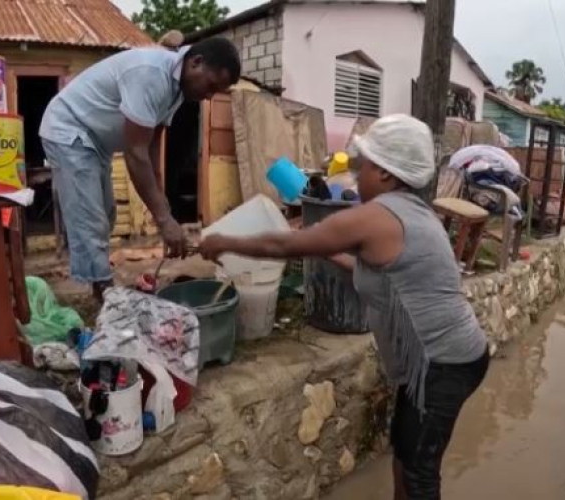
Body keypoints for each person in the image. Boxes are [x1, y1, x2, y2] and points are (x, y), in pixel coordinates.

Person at [199, 114, 490, 500]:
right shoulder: (412, 212)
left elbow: (284, 247)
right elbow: (385, 276)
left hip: (441, 365)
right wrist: (330, 251)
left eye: (363, 166)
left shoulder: (378, 215)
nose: (355, 175)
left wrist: (223, 241)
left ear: (386, 174)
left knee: (420, 474)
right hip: (436, 361)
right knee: (404, 455)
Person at [39, 37, 240, 300]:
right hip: (68, 130)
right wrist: (165, 220)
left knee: (107, 215)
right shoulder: (151, 74)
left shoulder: (177, 90)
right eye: (211, 86)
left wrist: (164, 211)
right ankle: (105, 296)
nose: (209, 96)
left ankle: (100, 284)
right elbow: (135, 154)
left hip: (95, 143)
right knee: (91, 217)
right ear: (196, 62)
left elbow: (152, 148)